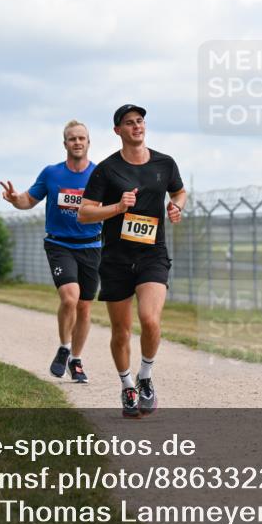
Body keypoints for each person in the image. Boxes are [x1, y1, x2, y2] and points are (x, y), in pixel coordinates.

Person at [79, 104, 186, 418]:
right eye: (129, 123)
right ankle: (127, 385)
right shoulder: (106, 169)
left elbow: (180, 192)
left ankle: (146, 377)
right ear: (118, 131)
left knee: (150, 320)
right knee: (121, 331)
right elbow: (85, 213)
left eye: (140, 121)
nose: (136, 126)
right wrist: (117, 208)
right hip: (116, 258)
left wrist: (176, 207)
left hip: (152, 253)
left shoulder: (165, 163)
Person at [0, 120, 102, 384]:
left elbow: (115, 205)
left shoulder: (100, 175)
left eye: (81, 138)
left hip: (92, 245)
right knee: (70, 298)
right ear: (65, 143)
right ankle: (64, 347)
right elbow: (28, 200)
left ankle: (76, 361)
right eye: (72, 139)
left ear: (88, 142)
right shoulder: (51, 174)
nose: (77, 142)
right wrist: (15, 199)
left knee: (85, 306)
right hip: (60, 244)